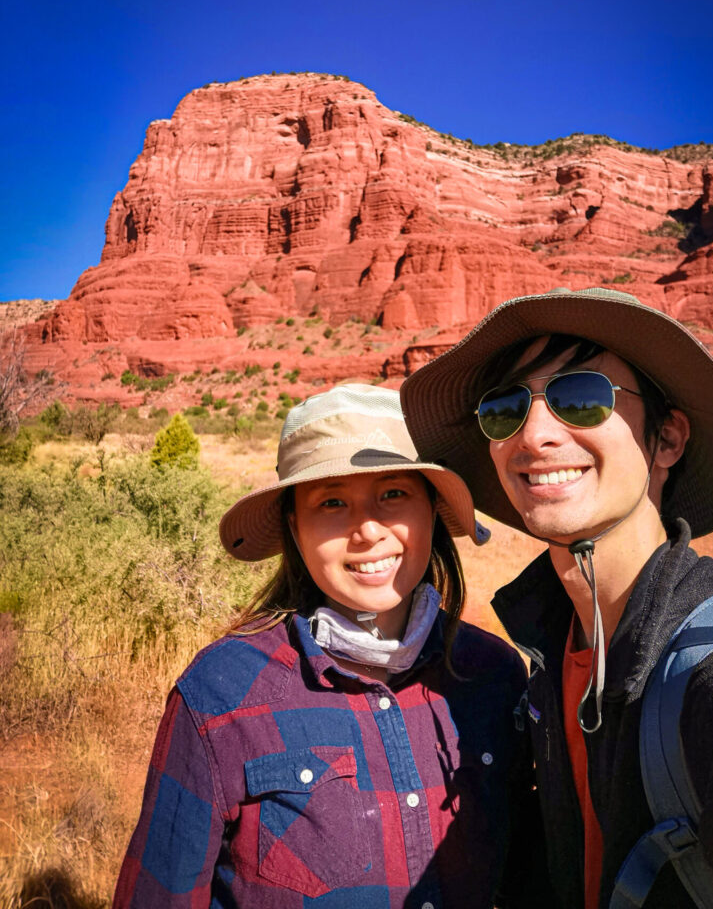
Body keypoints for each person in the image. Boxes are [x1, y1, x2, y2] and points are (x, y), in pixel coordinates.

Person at [399, 286, 713, 909]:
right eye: (505, 409)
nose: (536, 435)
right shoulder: (550, 652)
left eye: (581, 398)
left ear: (668, 440)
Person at [113, 383, 546, 908]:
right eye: (332, 502)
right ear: (295, 528)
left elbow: (530, 876)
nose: (367, 530)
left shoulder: (494, 675)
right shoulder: (219, 696)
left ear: (431, 510)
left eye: (393, 494)